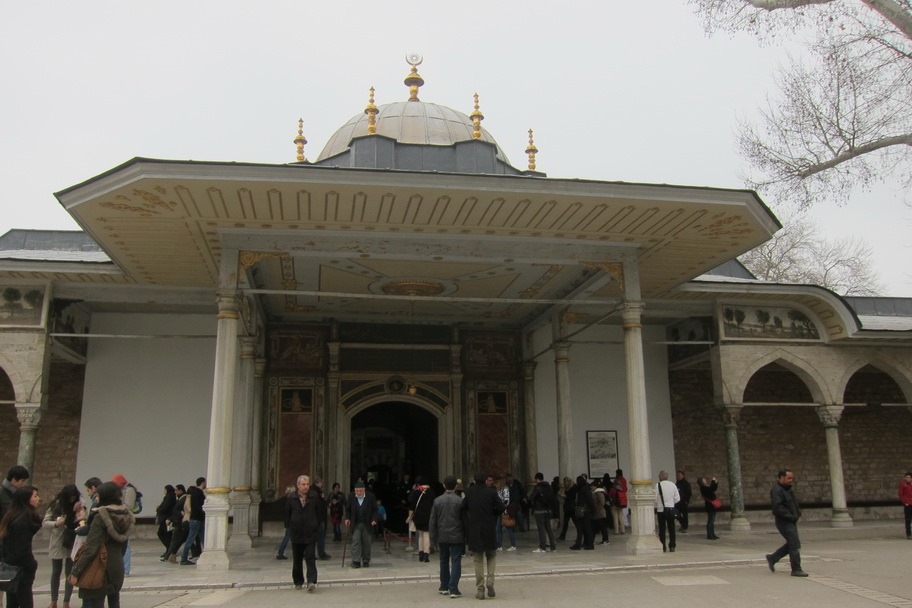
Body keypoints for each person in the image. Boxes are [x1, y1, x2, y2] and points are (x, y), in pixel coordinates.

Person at [67, 481, 135, 608]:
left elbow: (91, 547)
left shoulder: (100, 516)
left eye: (98, 495)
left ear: (105, 496)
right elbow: (123, 546)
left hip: (98, 567)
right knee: (114, 601)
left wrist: (76, 571)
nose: (96, 498)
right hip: (116, 566)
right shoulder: (126, 516)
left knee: (92, 602)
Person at [462, 472, 504, 600]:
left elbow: (463, 507)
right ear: (486, 480)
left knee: (478, 560)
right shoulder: (491, 492)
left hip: (475, 529)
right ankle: (490, 580)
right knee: (491, 555)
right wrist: (493, 514)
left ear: (474, 481)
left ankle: (480, 589)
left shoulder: (469, 492)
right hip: (489, 528)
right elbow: (501, 507)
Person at [0, 485, 41, 608]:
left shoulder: (12, 516)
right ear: (26, 499)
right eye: (35, 496)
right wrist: (32, 564)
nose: (38, 499)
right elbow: (22, 549)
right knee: (25, 601)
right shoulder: (23, 520)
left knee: (12, 602)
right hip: (21, 568)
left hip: (11, 566)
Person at [42, 484, 81, 608]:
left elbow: (83, 519)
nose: (72, 499)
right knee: (56, 572)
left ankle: (66, 601)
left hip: (72, 540)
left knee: (69, 572)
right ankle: (54, 601)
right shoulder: (56, 505)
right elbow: (45, 522)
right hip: (58, 540)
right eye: (70, 497)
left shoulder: (78, 504)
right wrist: (56, 523)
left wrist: (80, 516)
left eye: (74, 497)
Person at [765, 469, 808, 577]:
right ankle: (796, 569)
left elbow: (792, 503)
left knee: (793, 543)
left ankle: (773, 558)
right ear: (781, 478)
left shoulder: (787, 489)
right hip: (784, 521)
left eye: (791, 478)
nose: (791, 480)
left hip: (790, 520)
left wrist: (797, 514)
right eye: (788, 478)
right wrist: (791, 516)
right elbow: (777, 507)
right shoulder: (776, 490)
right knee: (794, 544)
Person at [429, 475, 464, 598]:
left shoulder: (437, 501)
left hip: (442, 535)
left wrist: (432, 538)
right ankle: (453, 588)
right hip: (456, 535)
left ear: (444, 485)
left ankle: (444, 586)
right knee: (456, 561)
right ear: (456, 486)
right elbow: (464, 520)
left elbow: (433, 521)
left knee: (443, 560)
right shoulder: (460, 501)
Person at [286, 475, 320, 592]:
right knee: (297, 559)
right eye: (303, 484)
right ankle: (298, 581)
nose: (306, 487)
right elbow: (287, 514)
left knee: (310, 557)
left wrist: (316, 524)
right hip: (296, 533)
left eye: (307, 484)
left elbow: (318, 511)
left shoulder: (314, 496)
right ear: (298, 485)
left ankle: (311, 581)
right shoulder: (291, 498)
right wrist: (290, 527)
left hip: (310, 532)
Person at [344, 482, 378, 568]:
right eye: (357, 491)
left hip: (367, 523)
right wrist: (347, 518)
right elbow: (348, 509)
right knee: (355, 542)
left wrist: (374, 519)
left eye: (360, 491)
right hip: (356, 523)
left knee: (367, 543)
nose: (358, 493)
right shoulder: (351, 496)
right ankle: (356, 561)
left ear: (364, 490)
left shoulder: (371, 496)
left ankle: (366, 560)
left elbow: (375, 510)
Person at [111, 474, 135, 576]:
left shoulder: (130, 490)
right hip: (118, 518)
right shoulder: (119, 490)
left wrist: (119, 502)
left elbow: (129, 506)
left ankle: (125, 569)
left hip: (126, 519)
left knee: (126, 544)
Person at [180, 477, 206, 565]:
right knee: (190, 539)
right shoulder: (199, 493)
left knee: (203, 538)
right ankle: (183, 559)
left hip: (195, 519)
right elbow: (199, 507)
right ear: (203, 483)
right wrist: (204, 514)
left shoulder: (194, 493)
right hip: (197, 519)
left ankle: (208, 554)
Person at [529, 472, 557, 552]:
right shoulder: (549, 486)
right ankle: (553, 547)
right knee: (549, 529)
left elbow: (531, 498)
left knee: (541, 529)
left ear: (536, 479)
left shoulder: (538, 487)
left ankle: (542, 547)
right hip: (547, 510)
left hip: (539, 510)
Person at [407, 480, 433, 562]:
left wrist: (409, 517)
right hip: (428, 516)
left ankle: (421, 554)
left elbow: (412, 506)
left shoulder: (416, 492)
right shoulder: (431, 492)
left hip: (418, 517)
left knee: (420, 535)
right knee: (426, 535)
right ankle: (426, 554)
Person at [655, 470, 680, 553]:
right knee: (671, 528)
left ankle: (663, 546)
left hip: (661, 510)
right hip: (671, 509)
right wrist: (671, 503)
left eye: (659, 475)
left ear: (661, 476)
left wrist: (659, 503)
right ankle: (672, 545)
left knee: (662, 529)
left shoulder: (658, 485)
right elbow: (677, 498)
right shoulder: (673, 485)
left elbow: (655, 498)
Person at [569, 475, 595, 550]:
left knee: (581, 529)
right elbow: (590, 501)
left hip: (581, 511)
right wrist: (592, 509)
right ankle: (589, 544)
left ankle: (579, 544)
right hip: (585, 511)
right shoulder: (586, 489)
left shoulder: (580, 489)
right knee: (586, 528)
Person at [163, 484, 186, 562]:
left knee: (176, 540)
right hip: (178, 522)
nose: (175, 492)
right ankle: (170, 556)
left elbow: (177, 511)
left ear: (181, 490)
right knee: (179, 540)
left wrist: (172, 518)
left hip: (180, 522)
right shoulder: (180, 499)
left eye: (176, 490)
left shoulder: (183, 499)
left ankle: (169, 556)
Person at [154, 485, 176, 560]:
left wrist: (158, 509)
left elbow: (164, 508)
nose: (164, 492)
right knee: (167, 536)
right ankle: (168, 550)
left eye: (165, 490)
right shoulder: (169, 497)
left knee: (162, 534)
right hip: (166, 519)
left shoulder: (169, 497)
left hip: (166, 519)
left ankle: (169, 550)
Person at [495, 477, 517, 551]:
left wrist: (502, 507)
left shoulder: (505, 489)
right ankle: (499, 545)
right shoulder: (499, 489)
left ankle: (513, 545)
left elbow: (506, 500)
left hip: (504, 512)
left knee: (508, 527)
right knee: (499, 528)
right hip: (501, 511)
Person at [311, 477, 331, 560]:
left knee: (317, 536)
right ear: (318, 482)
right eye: (321, 482)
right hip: (316, 517)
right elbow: (318, 504)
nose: (322, 484)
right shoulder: (315, 492)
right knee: (319, 536)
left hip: (317, 517)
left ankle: (316, 553)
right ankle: (320, 553)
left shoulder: (315, 491)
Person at [275, 484, 294, 560]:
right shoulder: (290, 500)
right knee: (287, 538)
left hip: (288, 521)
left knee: (291, 538)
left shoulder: (285, 499)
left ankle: (280, 553)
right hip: (291, 522)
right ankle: (280, 553)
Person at [614, 469, 628, 533]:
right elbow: (625, 489)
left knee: (615, 516)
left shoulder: (617, 480)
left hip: (617, 500)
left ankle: (616, 531)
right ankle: (623, 530)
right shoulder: (624, 480)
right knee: (621, 515)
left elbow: (614, 490)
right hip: (623, 498)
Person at [899, 472, 912, 540]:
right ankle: (909, 534)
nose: (906, 479)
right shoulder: (903, 485)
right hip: (908, 504)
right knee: (908, 520)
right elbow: (901, 495)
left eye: (908, 477)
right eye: (906, 477)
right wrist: (905, 502)